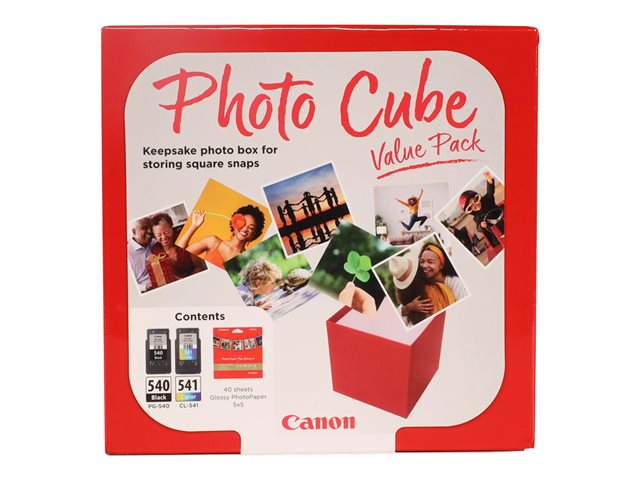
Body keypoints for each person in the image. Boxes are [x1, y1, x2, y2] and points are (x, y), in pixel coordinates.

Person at [391, 242, 466, 326]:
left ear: (441, 264)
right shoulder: (420, 288)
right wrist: (409, 307)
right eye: (422, 261)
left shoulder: (456, 283)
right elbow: (399, 313)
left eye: (430, 262)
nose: (424, 265)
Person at [176, 205, 266, 269]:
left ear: (254, 234)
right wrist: (194, 226)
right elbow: (179, 255)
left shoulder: (247, 260)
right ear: (235, 222)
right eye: (243, 223)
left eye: (251, 228)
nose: (245, 229)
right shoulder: (213, 242)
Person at [148, 213, 206, 286]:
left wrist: (189, 282)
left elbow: (199, 266)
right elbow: (162, 279)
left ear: (171, 228)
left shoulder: (184, 239)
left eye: (166, 232)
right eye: (159, 235)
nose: (164, 237)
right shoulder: (155, 251)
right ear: (154, 236)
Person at [458, 171, 504, 247]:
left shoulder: (487, 200)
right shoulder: (477, 218)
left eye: (475, 200)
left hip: (503, 220)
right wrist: (482, 226)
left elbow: (490, 191)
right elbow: (478, 228)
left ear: (478, 197)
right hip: (496, 233)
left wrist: (489, 179)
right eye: (471, 207)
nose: (475, 205)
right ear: (470, 211)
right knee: (496, 241)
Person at [127, 217, 156, 292]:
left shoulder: (154, 242)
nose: (150, 231)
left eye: (151, 227)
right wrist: (146, 287)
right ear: (134, 231)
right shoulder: (127, 254)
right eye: (145, 228)